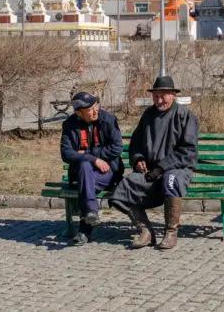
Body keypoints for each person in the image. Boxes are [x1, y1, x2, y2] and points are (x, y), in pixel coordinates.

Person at [109, 75, 198, 251]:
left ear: (173, 95)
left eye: (163, 95)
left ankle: (171, 232)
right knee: (125, 186)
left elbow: (188, 151)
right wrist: (138, 158)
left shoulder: (185, 115)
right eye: (156, 96)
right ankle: (145, 230)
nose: (159, 100)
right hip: (151, 172)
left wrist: (162, 168)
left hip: (177, 169)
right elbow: (135, 143)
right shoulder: (148, 115)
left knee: (170, 180)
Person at [59, 92, 123, 246]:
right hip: (81, 172)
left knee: (85, 177)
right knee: (84, 165)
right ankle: (91, 213)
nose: (95, 111)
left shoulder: (108, 120)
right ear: (79, 113)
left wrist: (87, 154)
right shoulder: (70, 124)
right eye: (90, 110)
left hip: (107, 173)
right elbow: (66, 153)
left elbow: (117, 148)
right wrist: (94, 159)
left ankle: (85, 228)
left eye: (96, 106)